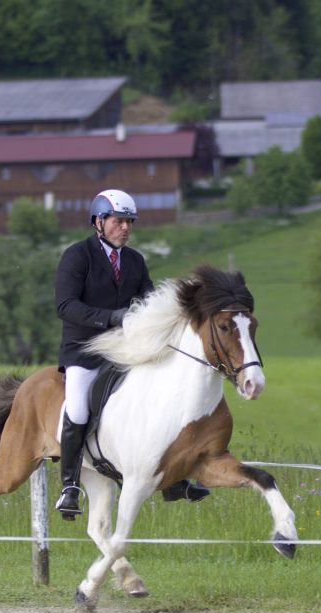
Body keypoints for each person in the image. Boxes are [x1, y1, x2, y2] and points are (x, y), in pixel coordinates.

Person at [53, 189, 208, 520]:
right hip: (85, 352)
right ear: (99, 222)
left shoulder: (135, 260)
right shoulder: (77, 256)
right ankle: (69, 486)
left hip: (125, 350)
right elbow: (65, 306)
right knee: (79, 408)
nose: (125, 228)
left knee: (159, 396)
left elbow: (149, 301)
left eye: (129, 222)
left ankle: (173, 479)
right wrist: (111, 317)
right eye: (118, 221)